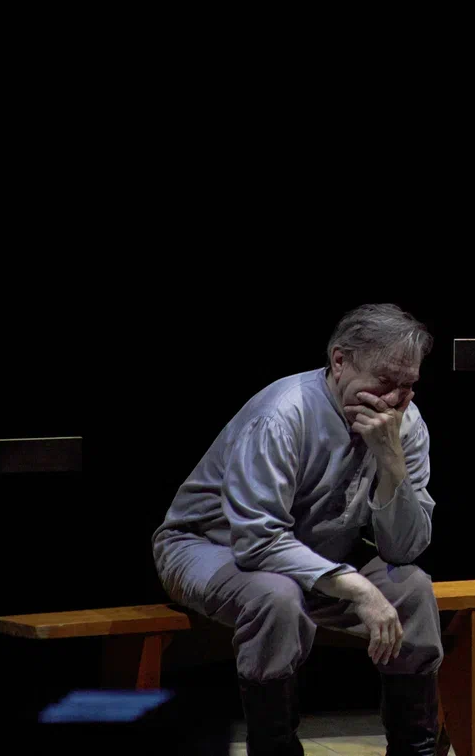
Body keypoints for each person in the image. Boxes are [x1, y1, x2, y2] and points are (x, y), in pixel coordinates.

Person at [152, 304, 441, 756]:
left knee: (413, 589)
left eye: (407, 386)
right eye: (384, 381)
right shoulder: (283, 414)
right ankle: (277, 748)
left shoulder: (405, 424)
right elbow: (257, 540)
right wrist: (358, 589)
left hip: (313, 553)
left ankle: (414, 748)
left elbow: (404, 549)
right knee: (277, 597)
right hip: (209, 546)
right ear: (340, 361)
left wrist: (392, 465)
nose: (393, 400)